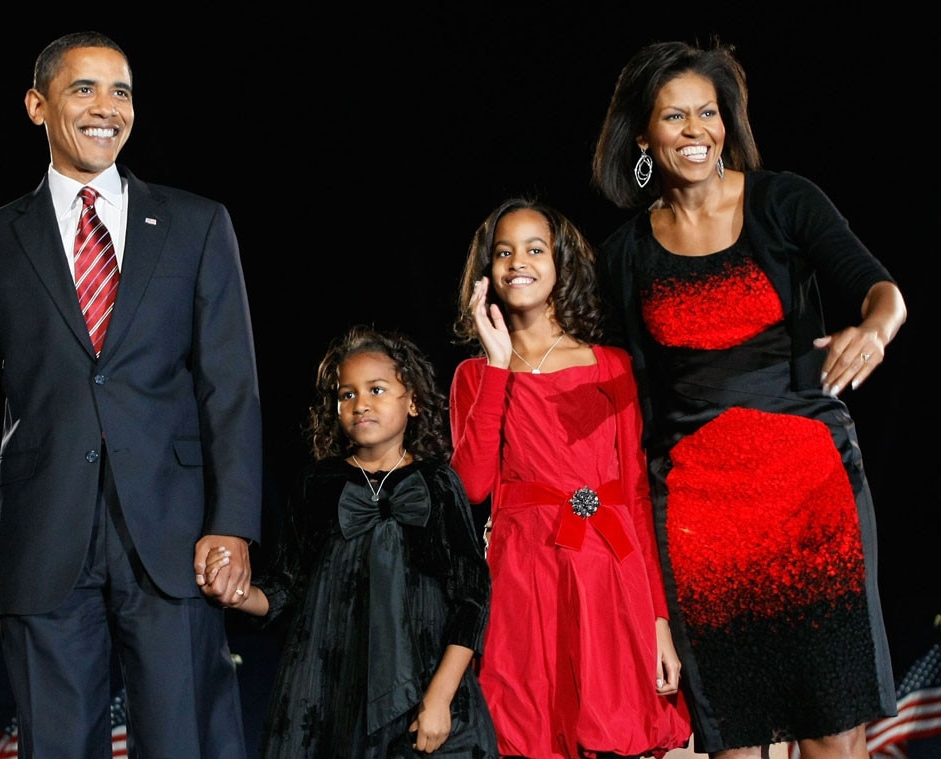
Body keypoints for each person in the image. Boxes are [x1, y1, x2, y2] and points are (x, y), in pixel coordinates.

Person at [0, 31, 263, 756]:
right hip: (41, 536)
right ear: (36, 104)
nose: (106, 108)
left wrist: (233, 522)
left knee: (183, 741)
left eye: (122, 92)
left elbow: (230, 387)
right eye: (84, 89)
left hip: (174, 537)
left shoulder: (197, 224)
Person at [590, 39, 907, 759]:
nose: (695, 130)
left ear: (727, 123)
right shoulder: (625, 255)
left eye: (709, 112)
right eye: (675, 117)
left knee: (835, 725)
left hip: (812, 490)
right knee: (735, 733)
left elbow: (879, 288)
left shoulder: (782, 200)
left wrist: (876, 328)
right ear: (644, 134)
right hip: (702, 507)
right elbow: (618, 395)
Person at [449, 197, 692, 759]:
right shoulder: (473, 374)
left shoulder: (609, 365)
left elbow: (633, 494)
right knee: (527, 733)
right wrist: (494, 363)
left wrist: (658, 623)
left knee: (612, 731)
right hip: (524, 577)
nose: (518, 262)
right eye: (504, 252)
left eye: (536, 249)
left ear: (561, 265)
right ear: (487, 271)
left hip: (609, 573)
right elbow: (472, 487)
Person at [200, 325, 498, 758]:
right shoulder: (317, 484)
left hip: (425, 692)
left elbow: (472, 595)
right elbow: (286, 589)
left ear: (412, 400)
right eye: (347, 395)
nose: (361, 404)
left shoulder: (438, 484)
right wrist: (235, 593)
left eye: (377, 389)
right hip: (330, 698)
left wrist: (440, 697)